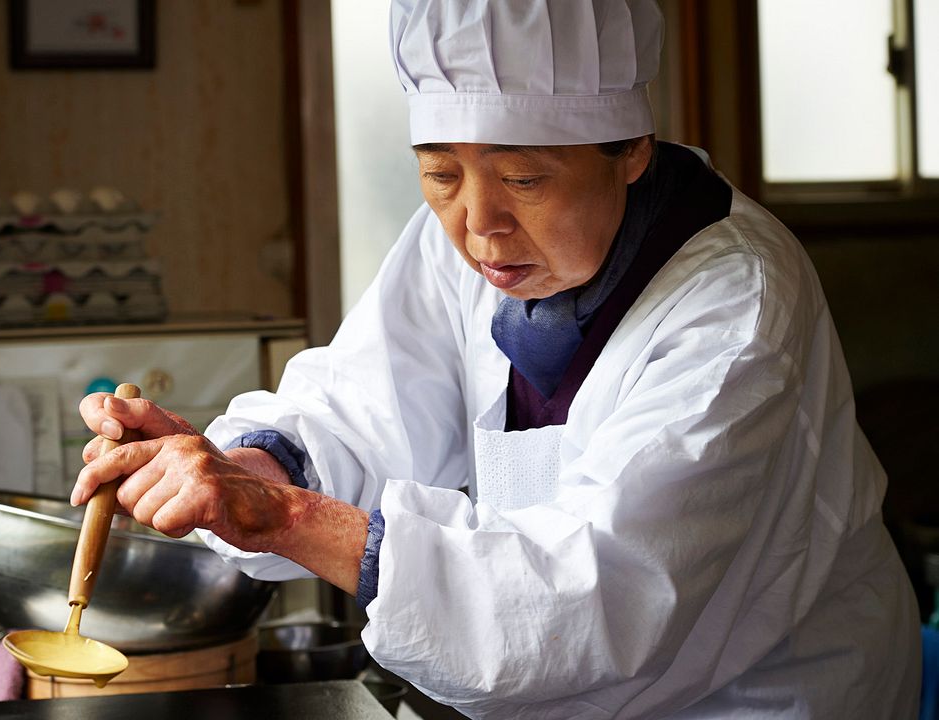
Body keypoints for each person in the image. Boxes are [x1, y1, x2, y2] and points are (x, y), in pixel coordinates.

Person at [71, 0, 921, 717]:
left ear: (631, 150)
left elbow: (596, 591)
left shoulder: (734, 306)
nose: (479, 226)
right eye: (441, 175)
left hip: (753, 694)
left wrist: (280, 515)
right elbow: (363, 406)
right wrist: (242, 473)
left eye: (523, 180)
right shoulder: (464, 245)